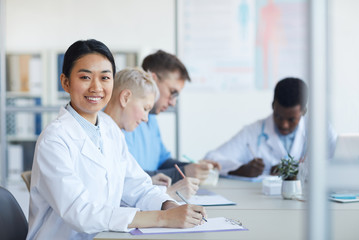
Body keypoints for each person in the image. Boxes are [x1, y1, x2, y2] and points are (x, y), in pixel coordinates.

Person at [26, 39, 206, 240]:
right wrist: (163, 218)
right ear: (65, 82)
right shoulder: (54, 140)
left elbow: (138, 186)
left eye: (105, 78)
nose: (96, 87)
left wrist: (169, 206)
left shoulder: (109, 129)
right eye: (85, 77)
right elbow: (80, 213)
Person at [203, 77, 337, 178]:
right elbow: (211, 158)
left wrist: (299, 170)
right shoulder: (253, 131)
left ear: (303, 111)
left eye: (291, 119)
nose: (284, 124)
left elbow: (340, 165)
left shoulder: (321, 130)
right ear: (273, 106)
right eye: (278, 116)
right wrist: (240, 169)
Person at [123, 50, 220, 183]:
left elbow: (162, 161)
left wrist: (194, 168)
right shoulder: (125, 118)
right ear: (152, 79)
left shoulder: (150, 119)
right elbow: (127, 177)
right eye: (172, 92)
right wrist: (183, 173)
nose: (173, 103)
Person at [104, 67, 199, 200]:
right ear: (125, 98)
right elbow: (114, 196)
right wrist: (169, 193)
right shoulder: (102, 137)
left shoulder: (116, 135)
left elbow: (130, 182)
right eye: (145, 108)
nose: (146, 118)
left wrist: (150, 181)